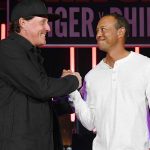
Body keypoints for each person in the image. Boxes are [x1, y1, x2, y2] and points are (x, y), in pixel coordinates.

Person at [0, 0, 82, 150]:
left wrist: (60, 97)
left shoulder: (31, 54)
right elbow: (41, 87)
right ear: (23, 22)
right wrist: (73, 80)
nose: (48, 28)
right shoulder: (7, 49)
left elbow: (35, 96)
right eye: (43, 22)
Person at [69, 12, 150, 150]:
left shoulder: (145, 66)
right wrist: (72, 91)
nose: (98, 35)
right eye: (96, 31)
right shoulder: (92, 76)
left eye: (103, 29)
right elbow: (90, 123)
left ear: (120, 32)